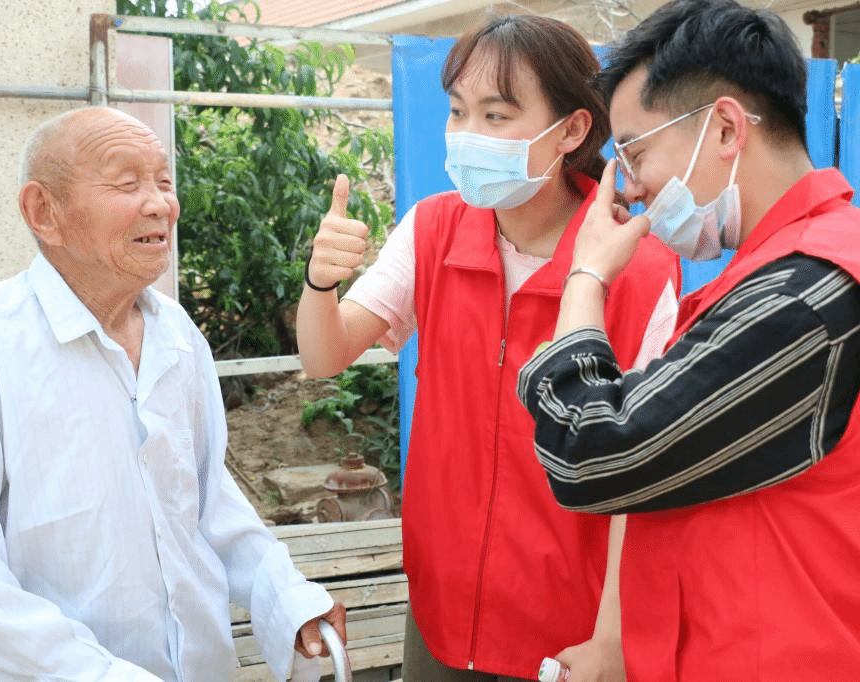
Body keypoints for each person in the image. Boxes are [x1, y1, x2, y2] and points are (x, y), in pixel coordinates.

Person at [0, 106, 346, 682]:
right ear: (44, 212)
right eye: (126, 182)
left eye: (164, 181)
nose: (160, 204)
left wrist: (286, 599)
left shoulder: (177, 335)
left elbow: (205, 501)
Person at [297, 15, 680, 682]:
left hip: (569, 632)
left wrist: (611, 638)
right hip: (443, 614)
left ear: (572, 130)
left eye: (496, 115)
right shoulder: (432, 231)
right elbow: (323, 355)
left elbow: (640, 476)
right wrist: (320, 280)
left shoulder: (639, 270)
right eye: (457, 111)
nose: (468, 134)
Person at [516, 1, 860, 679]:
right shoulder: (773, 276)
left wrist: (585, 276)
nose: (632, 188)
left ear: (726, 128)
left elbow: (592, 452)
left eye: (636, 153)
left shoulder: (803, 296)